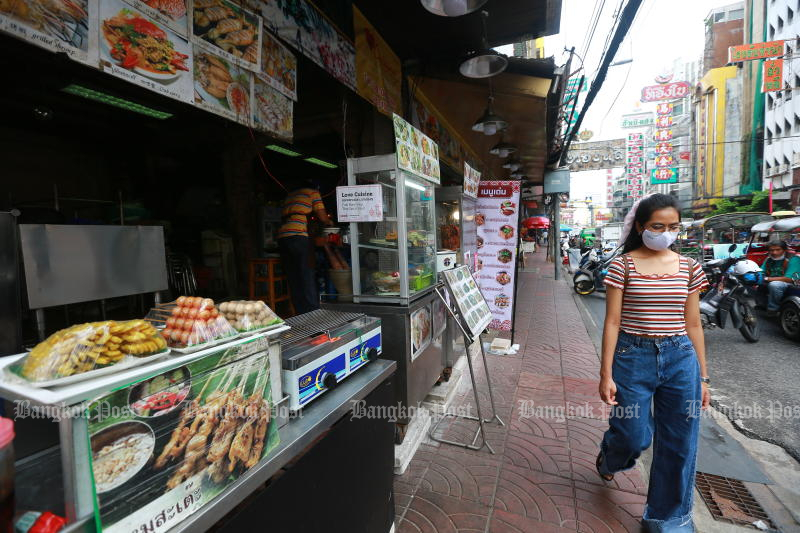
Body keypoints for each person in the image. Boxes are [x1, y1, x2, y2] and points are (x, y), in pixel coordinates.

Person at [597, 194, 710, 532]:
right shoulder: (623, 264)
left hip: (680, 358)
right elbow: (613, 321)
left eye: (673, 227)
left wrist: (703, 378)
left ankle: (667, 518)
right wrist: (605, 374)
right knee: (633, 436)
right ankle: (610, 456)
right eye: (658, 226)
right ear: (642, 226)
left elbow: (693, 324)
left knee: (680, 440)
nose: (666, 233)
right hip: (633, 357)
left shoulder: (689, 267)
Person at [277, 181, 333, 314]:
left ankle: (299, 311)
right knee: (306, 274)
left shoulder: (290, 195)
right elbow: (323, 217)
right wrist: (330, 222)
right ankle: (313, 312)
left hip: (283, 237)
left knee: (294, 276)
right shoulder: (313, 193)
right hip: (298, 236)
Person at [760, 240, 800, 316]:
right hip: (772, 280)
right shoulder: (769, 259)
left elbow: (790, 278)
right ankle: (761, 303)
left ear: (784, 250)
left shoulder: (794, 259)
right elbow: (761, 271)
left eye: (778, 250)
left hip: (791, 282)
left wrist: (767, 279)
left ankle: (773, 308)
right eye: (771, 250)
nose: (774, 253)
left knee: (774, 285)